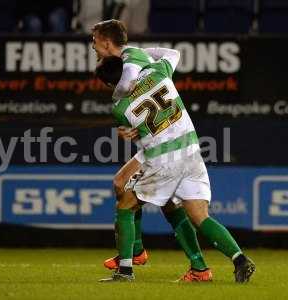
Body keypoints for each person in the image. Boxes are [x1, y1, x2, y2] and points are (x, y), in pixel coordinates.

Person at [93, 20, 256, 283]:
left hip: (164, 158)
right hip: (191, 149)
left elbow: (136, 128)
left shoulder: (119, 107)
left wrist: (127, 131)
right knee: (199, 215)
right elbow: (171, 55)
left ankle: (126, 269)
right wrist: (137, 55)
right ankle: (239, 259)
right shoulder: (159, 72)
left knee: (126, 203)